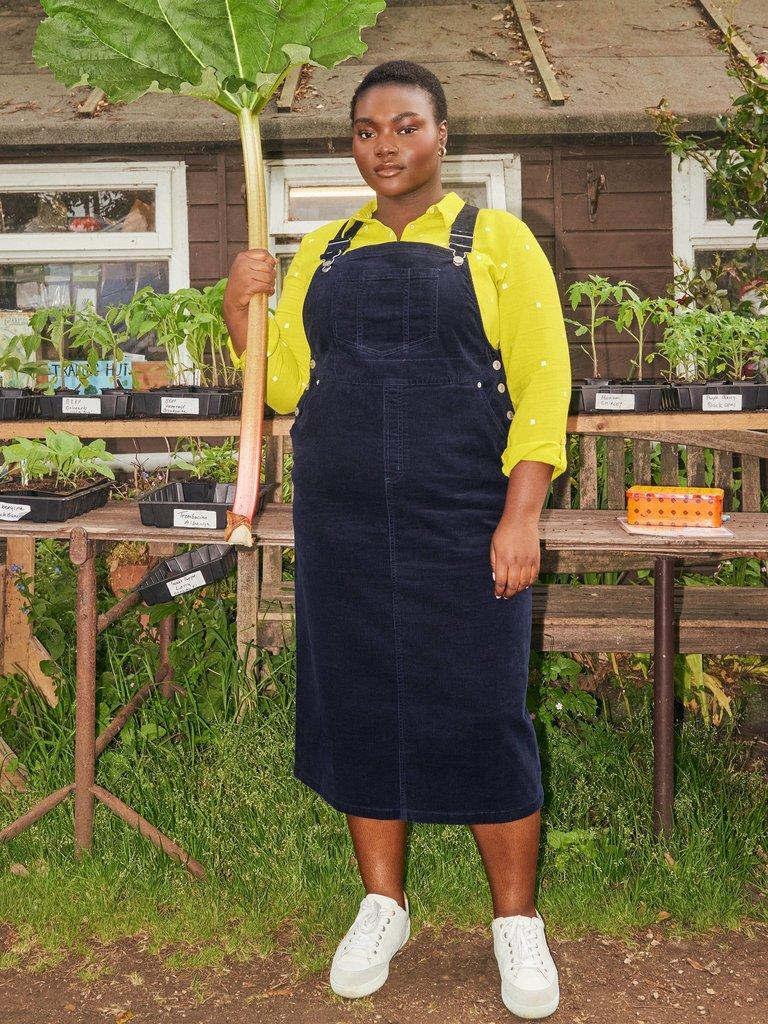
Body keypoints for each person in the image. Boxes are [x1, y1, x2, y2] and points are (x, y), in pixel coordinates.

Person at [224, 59, 571, 1021]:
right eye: (369, 131)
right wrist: (237, 305)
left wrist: (521, 512)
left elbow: (544, 387)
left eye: (407, 127)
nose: (388, 147)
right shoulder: (323, 252)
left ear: (442, 135)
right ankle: (383, 904)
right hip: (343, 522)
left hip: (464, 518)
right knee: (359, 705)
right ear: (354, 144)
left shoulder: (497, 241)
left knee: (484, 707)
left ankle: (516, 922)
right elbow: (287, 386)